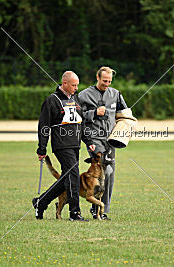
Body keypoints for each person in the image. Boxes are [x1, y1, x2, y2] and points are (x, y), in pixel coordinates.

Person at [34, 71, 95, 221]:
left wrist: (88, 141)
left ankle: (40, 202)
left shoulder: (75, 99)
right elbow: (44, 126)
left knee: (67, 178)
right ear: (65, 83)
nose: (76, 88)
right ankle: (75, 213)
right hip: (61, 145)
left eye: (77, 85)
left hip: (75, 144)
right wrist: (42, 149)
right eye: (74, 85)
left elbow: (81, 123)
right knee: (74, 175)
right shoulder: (52, 100)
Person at [78, 66, 128, 220]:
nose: (107, 84)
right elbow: (77, 115)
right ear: (97, 78)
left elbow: (125, 114)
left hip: (110, 141)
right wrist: (94, 113)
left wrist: (126, 128)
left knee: (110, 174)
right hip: (94, 139)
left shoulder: (116, 94)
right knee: (97, 174)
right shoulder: (84, 95)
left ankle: (102, 210)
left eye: (109, 81)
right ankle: (96, 209)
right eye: (104, 81)